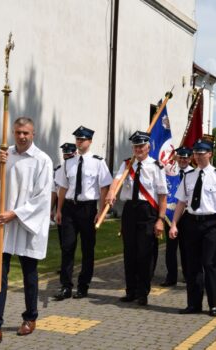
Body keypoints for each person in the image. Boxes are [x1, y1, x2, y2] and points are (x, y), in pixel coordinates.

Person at [0, 117, 53, 343]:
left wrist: (15, 213)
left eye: (26, 132)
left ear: (33, 134)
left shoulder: (42, 160)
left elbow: (43, 197)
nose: (22, 136)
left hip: (25, 222)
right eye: (18, 132)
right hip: (3, 224)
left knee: (30, 274)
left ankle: (30, 317)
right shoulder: (3, 156)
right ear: (13, 133)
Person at [169, 139, 216, 316]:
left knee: (210, 264)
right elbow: (181, 203)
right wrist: (174, 224)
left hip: (211, 224)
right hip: (191, 223)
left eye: (201, 153)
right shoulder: (188, 177)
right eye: (196, 153)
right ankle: (194, 304)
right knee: (192, 266)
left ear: (210, 154)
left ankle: (213, 304)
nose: (198, 156)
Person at [106, 131, 168, 306]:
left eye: (141, 146)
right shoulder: (127, 165)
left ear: (148, 147)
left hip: (148, 212)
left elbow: (163, 197)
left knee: (145, 254)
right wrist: (111, 192)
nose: (139, 149)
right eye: (136, 146)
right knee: (130, 252)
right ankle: (130, 291)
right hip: (130, 211)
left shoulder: (157, 167)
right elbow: (117, 181)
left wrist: (160, 220)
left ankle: (143, 292)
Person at [54, 126, 113, 300]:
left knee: (87, 249)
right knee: (67, 247)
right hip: (69, 209)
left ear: (90, 141)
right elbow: (63, 188)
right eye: (77, 139)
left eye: (83, 139)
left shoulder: (98, 162)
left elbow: (104, 188)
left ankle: (83, 286)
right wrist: (58, 210)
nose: (80, 142)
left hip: (88, 209)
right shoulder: (69, 162)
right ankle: (66, 286)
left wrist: (100, 211)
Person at [160, 146, 194, 287]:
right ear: (176, 157)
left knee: (187, 248)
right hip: (171, 215)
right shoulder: (169, 172)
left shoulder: (194, 173)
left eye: (186, 157)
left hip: (187, 215)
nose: (183, 160)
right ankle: (171, 277)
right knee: (170, 249)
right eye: (180, 157)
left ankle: (188, 275)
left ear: (190, 158)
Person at [51, 143, 77, 273]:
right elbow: (54, 191)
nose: (67, 156)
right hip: (62, 206)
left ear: (75, 153)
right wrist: (52, 209)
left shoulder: (78, 168)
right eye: (65, 154)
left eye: (69, 154)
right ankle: (65, 267)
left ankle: (70, 267)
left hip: (75, 204)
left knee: (73, 241)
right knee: (64, 240)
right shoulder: (58, 170)